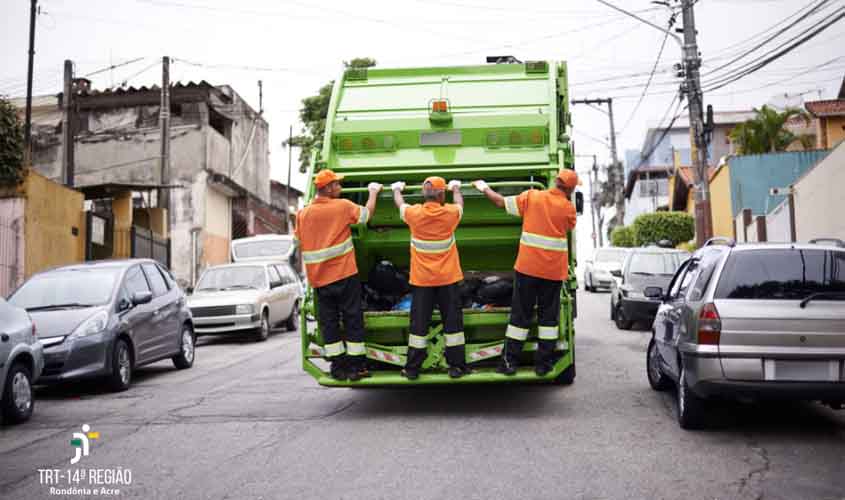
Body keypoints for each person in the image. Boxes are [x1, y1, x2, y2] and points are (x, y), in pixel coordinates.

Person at [473, 169, 579, 376]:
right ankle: (543, 365)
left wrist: (484, 187)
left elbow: (499, 202)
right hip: (553, 272)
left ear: (556, 182)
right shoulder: (568, 209)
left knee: (520, 316)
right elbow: (568, 227)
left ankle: (509, 362)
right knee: (549, 318)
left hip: (528, 268)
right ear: (570, 188)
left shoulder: (532, 196)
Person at [295, 169, 382, 381]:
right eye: (337, 185)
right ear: (327, 188)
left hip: (319, 278)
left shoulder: (302, 213)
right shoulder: (342, 207)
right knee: (352, 319)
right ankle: (356, 367)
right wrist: (373, 192)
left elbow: (299, 240)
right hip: (344, 273)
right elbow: (366, 215)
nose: (341, 188)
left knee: (329, 322)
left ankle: (338, 367)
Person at [392, 176, 471, 380]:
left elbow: (400, 205)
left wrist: (396, 189)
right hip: (448, 279)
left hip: (422, 281)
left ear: (423, 194)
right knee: (453, 325)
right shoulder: (449, 213)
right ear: (441, 194)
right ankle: (456, 367)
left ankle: (412, 369)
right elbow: (460, 205)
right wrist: (456, 189)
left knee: (418, 326)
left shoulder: (414, 214)